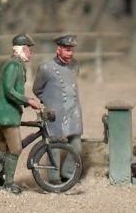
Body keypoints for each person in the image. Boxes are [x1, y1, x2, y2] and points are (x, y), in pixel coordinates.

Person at [0, 33, 40, 194]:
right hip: (7, 114)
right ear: (23, 48)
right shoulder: (13, 65)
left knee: (3, 147)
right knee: (16, 148)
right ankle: (9, 183)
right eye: (30, 49)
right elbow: (9, 91)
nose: (31, 53)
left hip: (6, 111)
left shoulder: (16, 64)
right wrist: (28, 101)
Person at [33, 33, 83, 184]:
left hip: (73, 112)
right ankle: (54, 179)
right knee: (53, 148)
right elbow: (37, 89)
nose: (70, 53)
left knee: (77, 146)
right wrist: (50, 104)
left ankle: (68, 174)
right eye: (67, 50)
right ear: (58, 49)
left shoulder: (75, 65)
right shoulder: (46, 68)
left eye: (72, 50)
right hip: (55, 114)